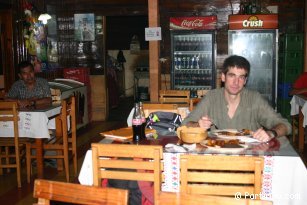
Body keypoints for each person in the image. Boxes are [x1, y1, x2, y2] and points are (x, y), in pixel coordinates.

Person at [182, 55, 291, 142]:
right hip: (216, 157)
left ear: (245, 80)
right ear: (223, 77)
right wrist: (198, 125)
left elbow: (285, 125)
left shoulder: (254, 99)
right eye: (232, 75)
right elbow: (184, 125)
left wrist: (271, 133)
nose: (236, 82)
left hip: (249, 160)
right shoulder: (211, 97)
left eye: (241, 77)